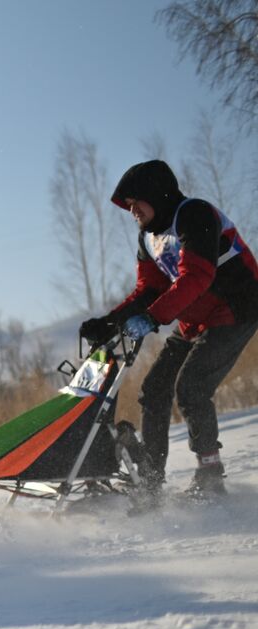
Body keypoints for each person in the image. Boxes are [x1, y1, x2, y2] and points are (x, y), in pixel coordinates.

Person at [79, 159, 258, 506]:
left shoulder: (194, 214)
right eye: (128, 206)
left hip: (238, 307)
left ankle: (210, 476)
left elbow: (197, 277)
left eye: (135, 203)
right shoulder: (148, 238)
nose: (132, 211)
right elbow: (148, 289)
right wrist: (111, 321)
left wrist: (152, 317)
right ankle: (150, 481)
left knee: (192, 387)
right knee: (155, 388)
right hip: (196, 318)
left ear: (155, 196)